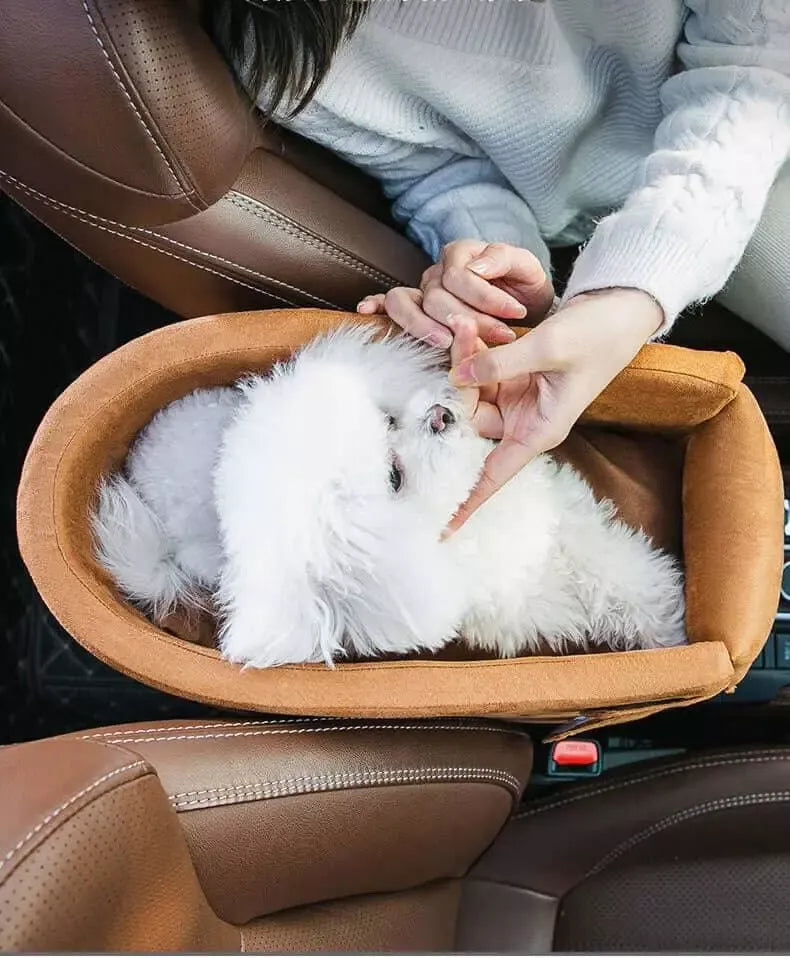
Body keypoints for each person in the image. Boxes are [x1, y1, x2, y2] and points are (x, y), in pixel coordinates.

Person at [205, 0, 790, 528]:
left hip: (740, 121)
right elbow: (437, 168)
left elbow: (756, 48)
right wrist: (496, 283)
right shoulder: (272, 42)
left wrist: (634, 286)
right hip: (600, 214)